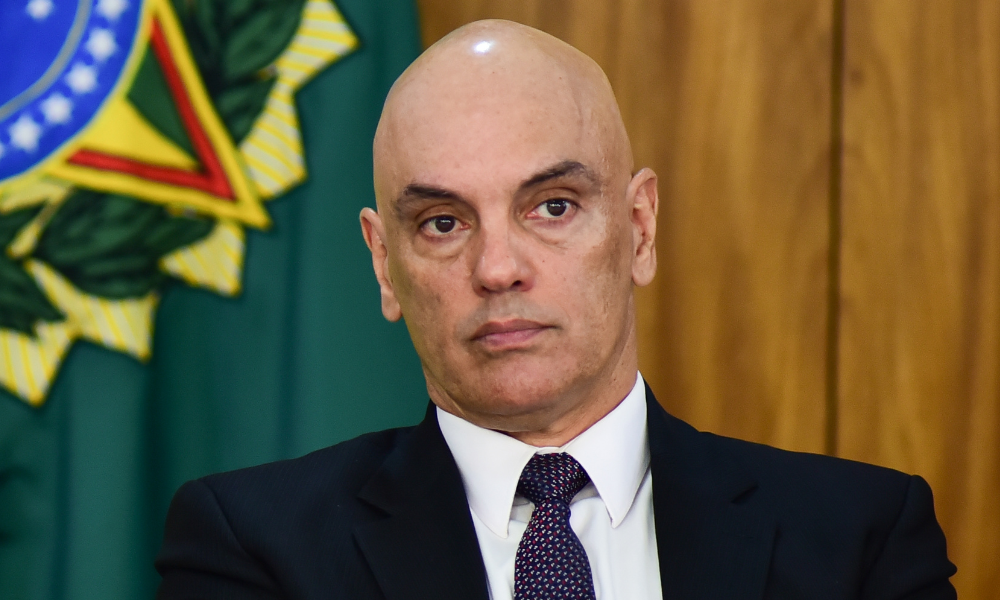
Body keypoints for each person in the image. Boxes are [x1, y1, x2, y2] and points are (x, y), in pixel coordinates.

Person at [155, 20, 956, 600]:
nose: (497, 268)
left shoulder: (862, 542)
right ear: (384, 265)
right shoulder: (253, 550)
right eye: (443, 223)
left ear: (639, 229)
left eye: (553, 207)